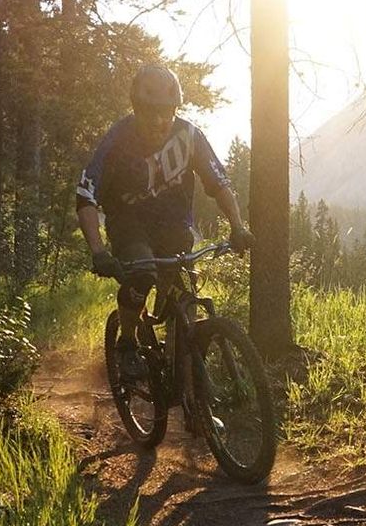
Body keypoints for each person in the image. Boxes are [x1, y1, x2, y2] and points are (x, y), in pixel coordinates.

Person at [76, 65, 254, 380]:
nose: (159, 121)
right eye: (150, 112)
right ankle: (128, 343)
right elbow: (86, 195)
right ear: (135, 108)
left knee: (185, 291)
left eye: (167, 112)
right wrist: (98, 251)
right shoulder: (118, 138)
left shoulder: (189, 135)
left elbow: (219, 183)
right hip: (129, 225)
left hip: (174, 226)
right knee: (143, 275)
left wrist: (238, 227)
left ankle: (187, 384)